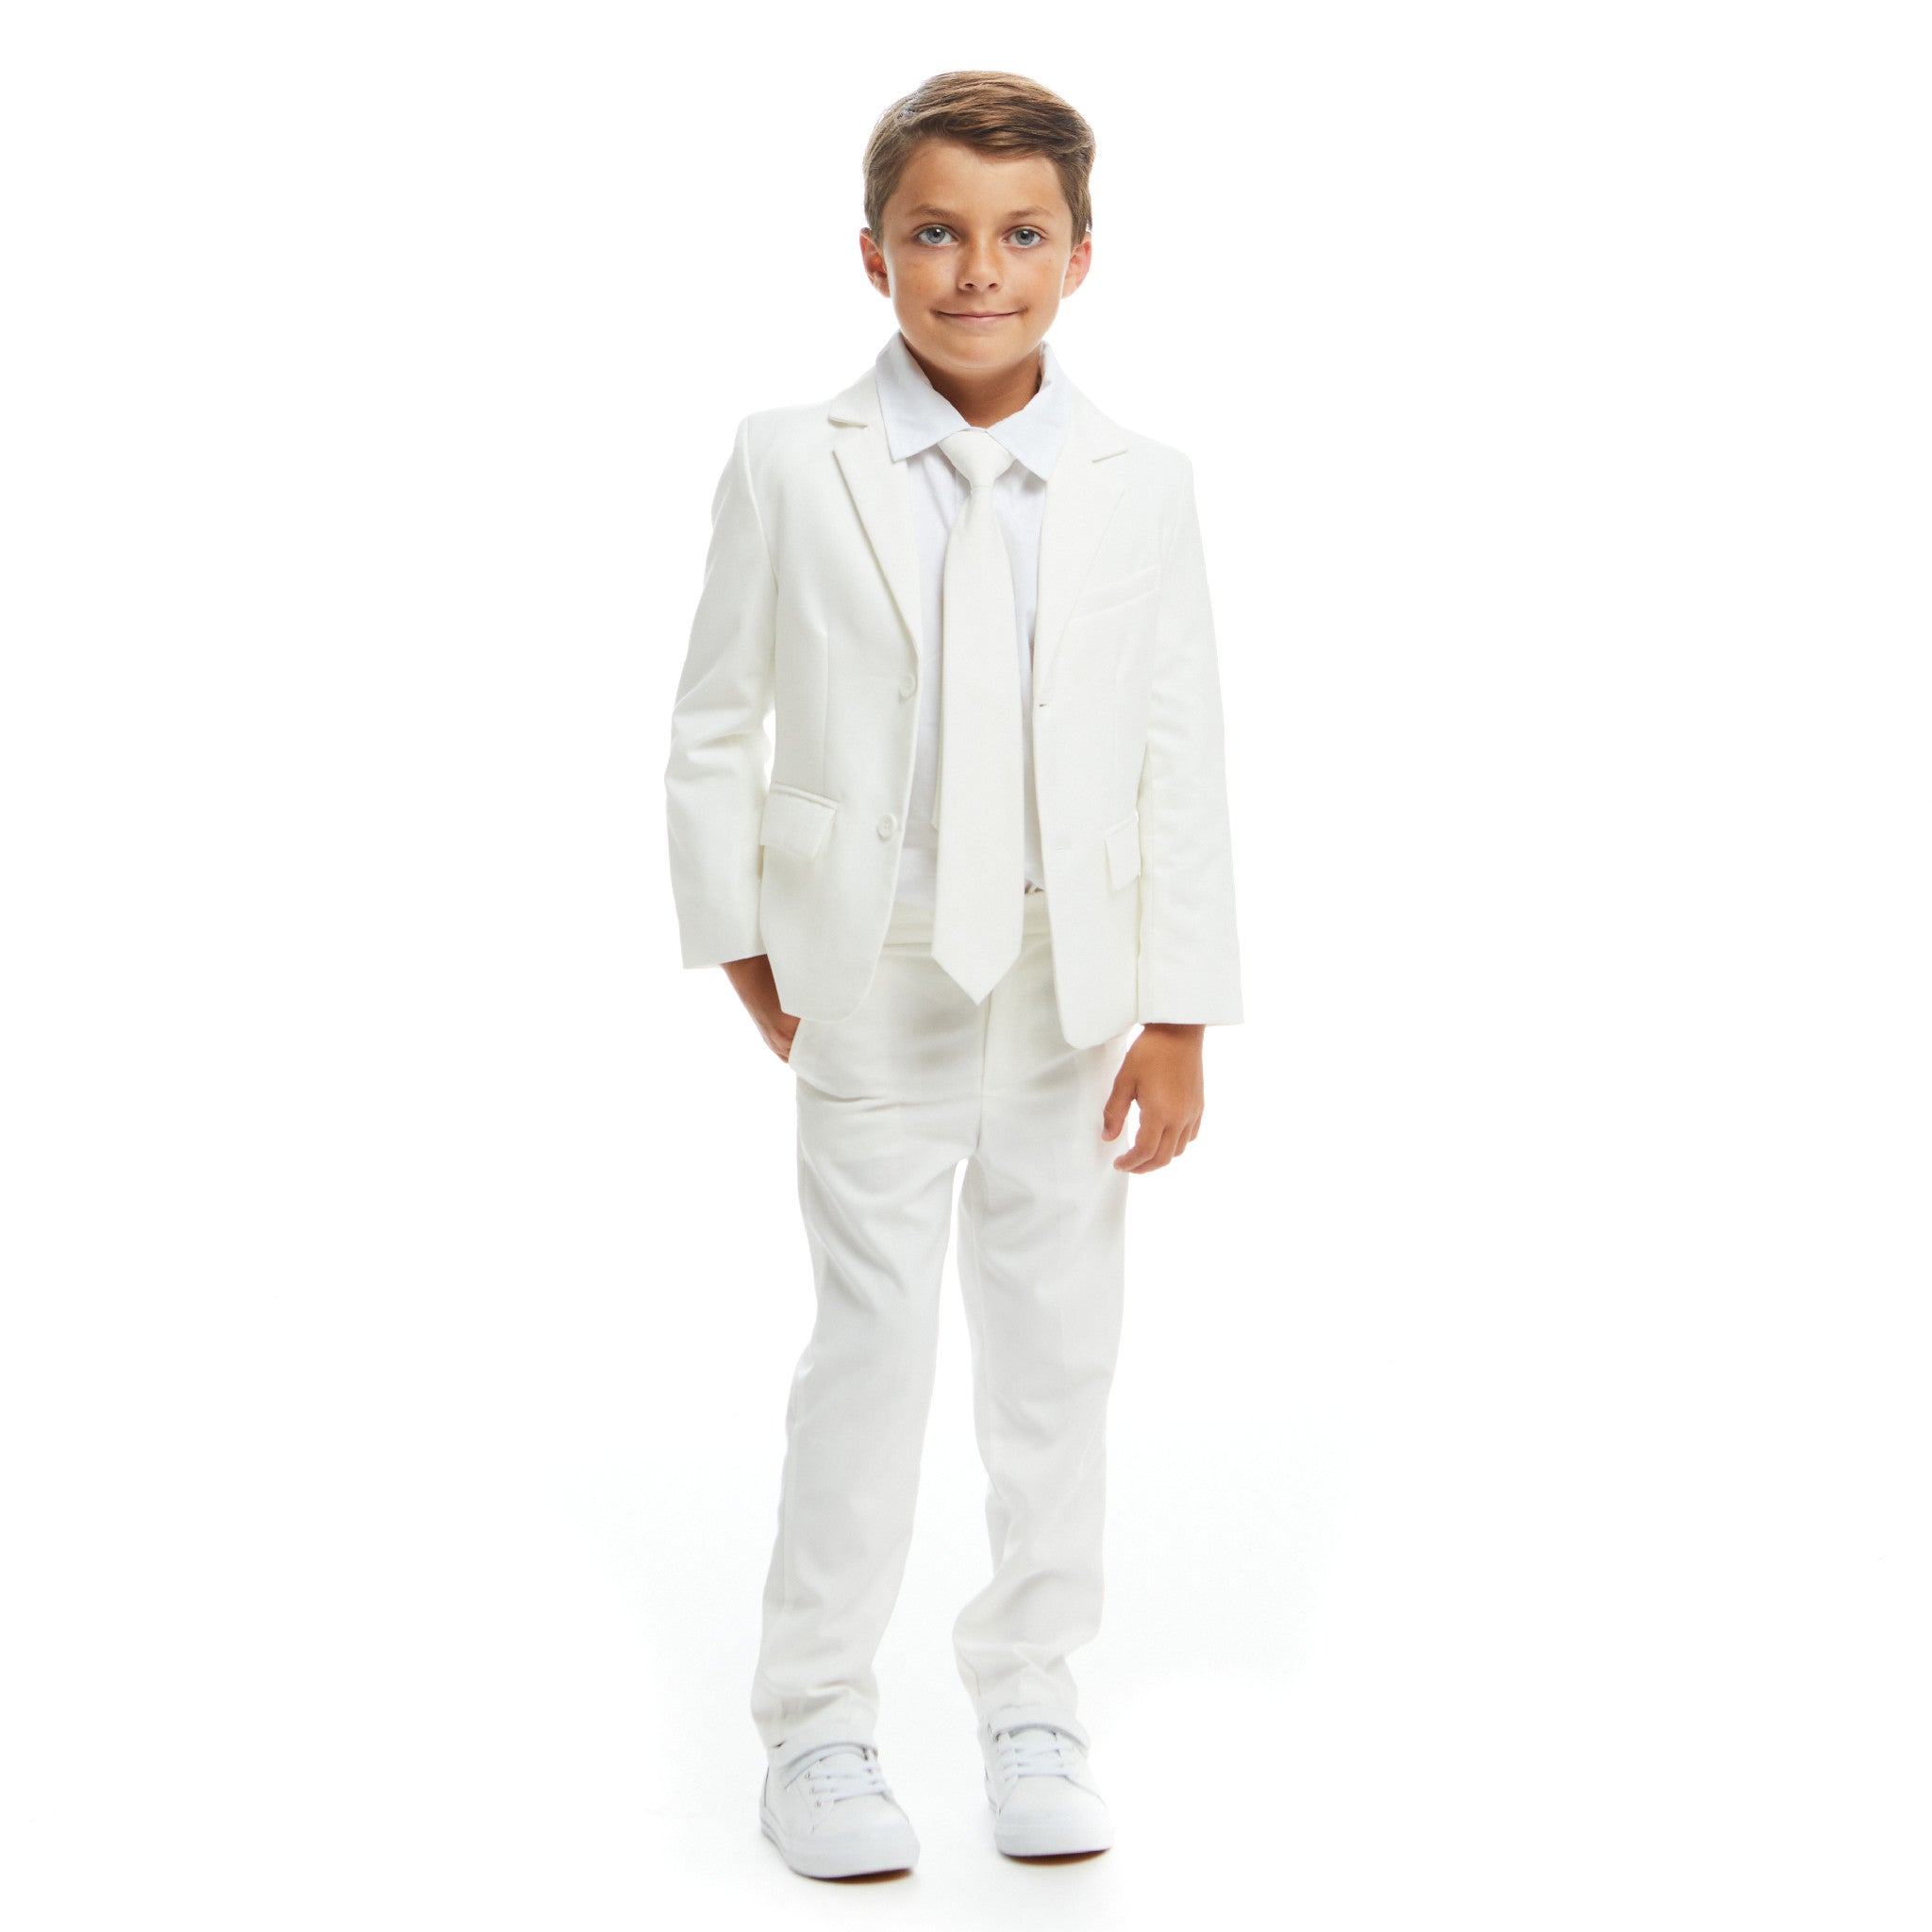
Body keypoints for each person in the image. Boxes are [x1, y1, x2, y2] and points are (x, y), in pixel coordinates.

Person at [663, 68, 1242, 1880]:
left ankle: (1031, 1694)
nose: (977, 270)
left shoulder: (1144, 486)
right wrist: (746, 946)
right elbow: (715, 721)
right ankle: (816, 1724)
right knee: (870, 1350)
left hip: (1072, 986)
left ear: (1080, 257)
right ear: (874, 254)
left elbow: (1178, 754)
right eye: (936, 232)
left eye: (1018, 235)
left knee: (1056, 1359)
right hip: (877, 973)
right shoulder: (792, 458)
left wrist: (1178, 1011)